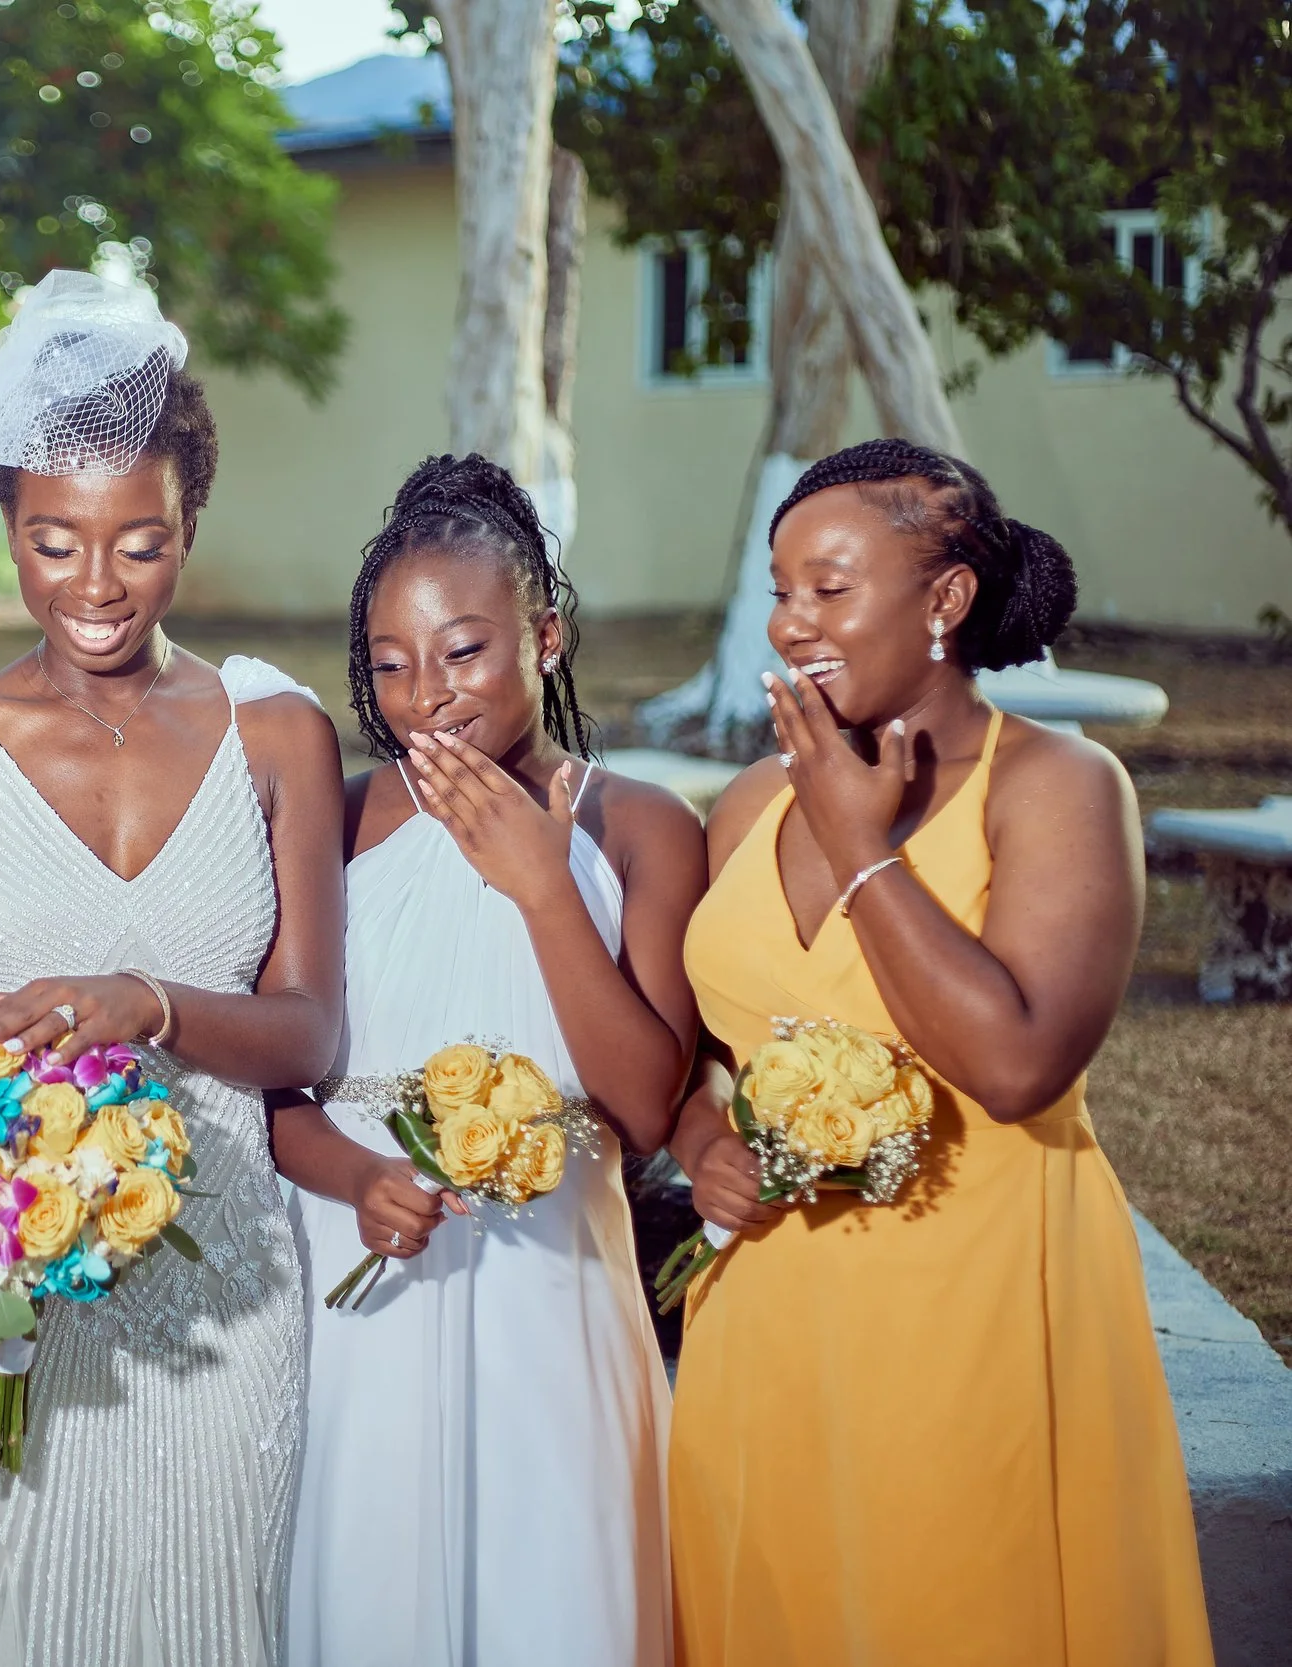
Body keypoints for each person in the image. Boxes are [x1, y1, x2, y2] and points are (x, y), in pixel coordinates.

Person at [0, 270, 347, 1667]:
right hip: (3, 1281)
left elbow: (310, 1032)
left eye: (140, 542)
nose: (96, 585)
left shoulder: (277, 735)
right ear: (6, 523)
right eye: (54, 541)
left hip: (228, 1286)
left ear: (191, 522)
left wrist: (157, 1008)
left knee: (210, 1611)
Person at [667, 439, 1213, 1666]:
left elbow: (1022, 1065)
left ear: (944, 601)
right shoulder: (750, 802)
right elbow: (708, 1053)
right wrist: (704, 1141)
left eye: (829, 587)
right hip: (770, 1316)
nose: (790, 622)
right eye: (780, 587)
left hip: (972, 1306)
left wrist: (866, 854)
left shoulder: (1061, 789)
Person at [272, 454, 699, 1666]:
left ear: (545, 633)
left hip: (549, 1291)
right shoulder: (336, 821)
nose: (426, 697)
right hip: (361, 1282)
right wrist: (357, 1179)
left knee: (549, 1598)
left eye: (462, 651)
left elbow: (648, 1104)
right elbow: (277, 1093)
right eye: (391, 664)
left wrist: (542, 886)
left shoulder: (641, 827)